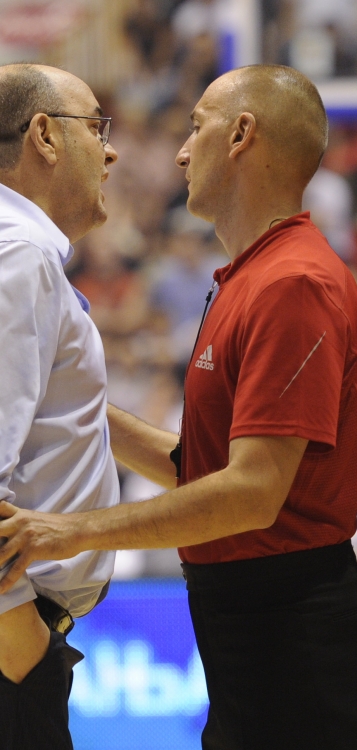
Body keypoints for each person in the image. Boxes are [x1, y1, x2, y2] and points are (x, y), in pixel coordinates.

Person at [0, 64, 357, 749]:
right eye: (97, 128)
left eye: (196, 127)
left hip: (294, 626)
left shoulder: (290, 280)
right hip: (254, 624)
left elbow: (251, 490)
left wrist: (72, 531)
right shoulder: (251, 277)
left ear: (242, 135)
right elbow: (209, 470)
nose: (180, 152)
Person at [0, 64, 119, 749]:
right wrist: (20, 639)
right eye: (97, 126)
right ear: (44, 135)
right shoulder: (21, 254)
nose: (111, 150)